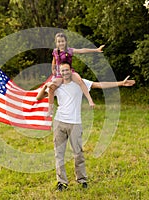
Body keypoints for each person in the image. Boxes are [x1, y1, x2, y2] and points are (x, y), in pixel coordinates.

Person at [36, 61, 135, 191]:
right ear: (60, 72)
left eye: (67, 70)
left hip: (75, 123)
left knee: (78, 153)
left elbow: (99, 85)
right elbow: (39, 97)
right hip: (59, 122)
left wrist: (120, 83)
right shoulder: (57, 85)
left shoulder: (79, 82)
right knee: (59, 154)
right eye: (62, 71)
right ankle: (62, 182)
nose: (65, 73)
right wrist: (46, 86)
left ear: (71, 70)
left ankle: (82, 179)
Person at [46, 32, 105, 116]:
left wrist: (96, 50)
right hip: (59, 74)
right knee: (51, 88)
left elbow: (82, 50)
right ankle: (50, 109)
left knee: (80, 80)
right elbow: (54, 60)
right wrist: (53, 68)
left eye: (62, 41)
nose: (61, 43)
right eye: (59, 41)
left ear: (65, 41)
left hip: (69, 72)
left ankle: (90, 100)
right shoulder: (55, 51)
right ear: (56, 42)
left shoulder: (70, 50)